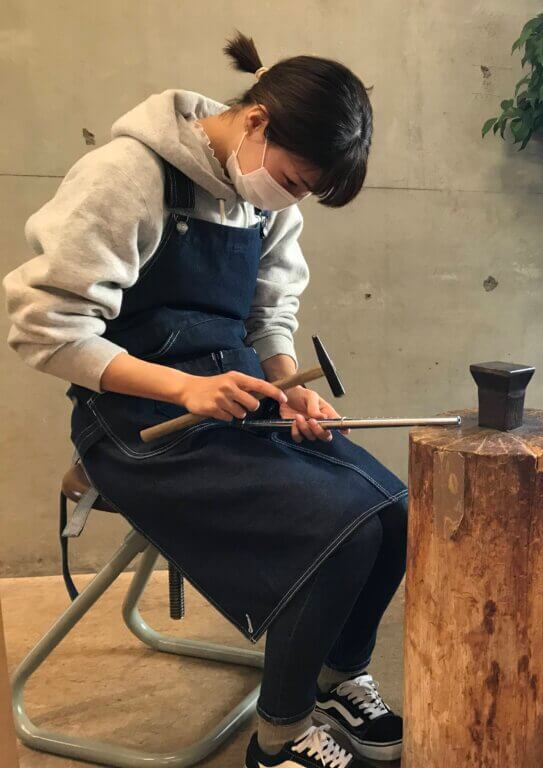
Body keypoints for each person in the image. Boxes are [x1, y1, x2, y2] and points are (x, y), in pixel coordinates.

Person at [5, 33, 406, 768]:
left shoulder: (267, 200)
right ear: (255, 121)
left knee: (397, 510)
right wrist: (184, 386)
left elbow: (269, 314)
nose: (292, 200)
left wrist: (286, 387)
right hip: (132, 423)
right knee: (337, 531)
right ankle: (280, 735)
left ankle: (336, 673)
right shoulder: (129, 175)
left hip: (235, 398)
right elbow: (43, 328)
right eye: (292, 181)